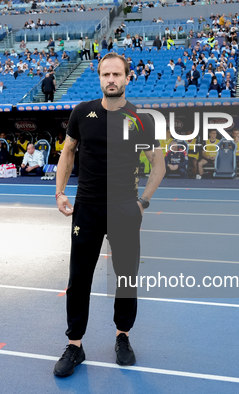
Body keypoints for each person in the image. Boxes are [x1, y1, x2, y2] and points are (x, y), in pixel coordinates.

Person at [53, 52, 164, 378]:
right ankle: (75, 345)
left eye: (117, 74)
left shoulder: (142, 119)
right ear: (99, 78)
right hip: (86, 208)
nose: (111, 80)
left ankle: (123, 337)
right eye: (106, 75)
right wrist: (59, 193)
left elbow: (159, 165)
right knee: (79, 278)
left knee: (126, 277)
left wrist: (143, 202)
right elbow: (68, 152)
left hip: (124, 209)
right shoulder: (82, 112)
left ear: (128, 77)